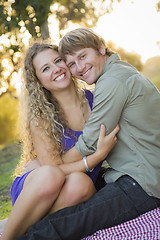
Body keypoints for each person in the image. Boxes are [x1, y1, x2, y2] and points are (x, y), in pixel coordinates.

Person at [16, 28, 160, 240]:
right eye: (72, 62)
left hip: (142, 181)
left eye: (83, 56)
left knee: (76, 214)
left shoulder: (108, 84)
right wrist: (49, 168)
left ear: (101, 48)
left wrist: (50, 165)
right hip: (48, 185)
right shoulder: (116, 74)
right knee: (76, 206)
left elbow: (90, 142)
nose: (79, 67)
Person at [1, 42, 119, 240]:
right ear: (38, 81)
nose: (56, 69)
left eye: (58, 61)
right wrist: (98, 156)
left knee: (82, 184)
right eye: (46, 68)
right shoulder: (40, 118)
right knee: (49, 175)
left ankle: (17, 225)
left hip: (77, 183)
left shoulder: (95, 100)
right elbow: (54, 170)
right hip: (40, 188)